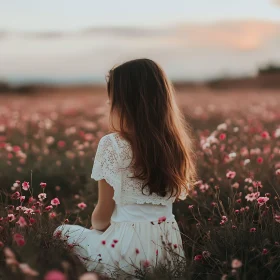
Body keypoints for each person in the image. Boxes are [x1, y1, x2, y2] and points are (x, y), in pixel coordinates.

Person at [54, 58, 197, 277]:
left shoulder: (113, 144)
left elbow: (102, 217)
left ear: (124, 103)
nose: (108, 104)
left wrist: (96, 232)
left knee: (62, 232)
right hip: (168, 257)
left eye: (111, 99)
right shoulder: (176, 145)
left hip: (124, 254)